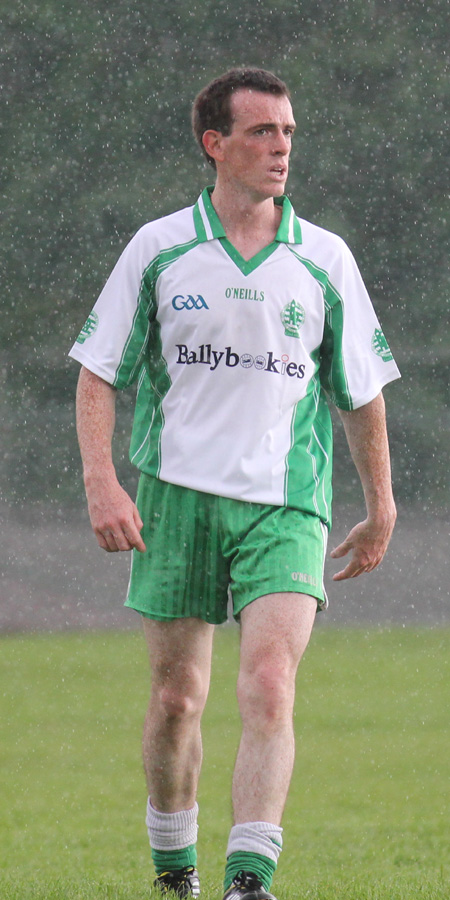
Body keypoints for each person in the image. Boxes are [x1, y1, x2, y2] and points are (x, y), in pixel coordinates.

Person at [70, 68, 400, 900]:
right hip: (176, 495)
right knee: (179, 699)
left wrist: (382, 504)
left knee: (266, 682)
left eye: (288, 131)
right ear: (215, 144)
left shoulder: (325, 258)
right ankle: (174, 870)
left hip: (288, 503)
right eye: (261, 132)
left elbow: (360, 391)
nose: (281, 146)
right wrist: (103, 481)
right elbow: (98, 373)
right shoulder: (158, 247)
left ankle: (248, 879)